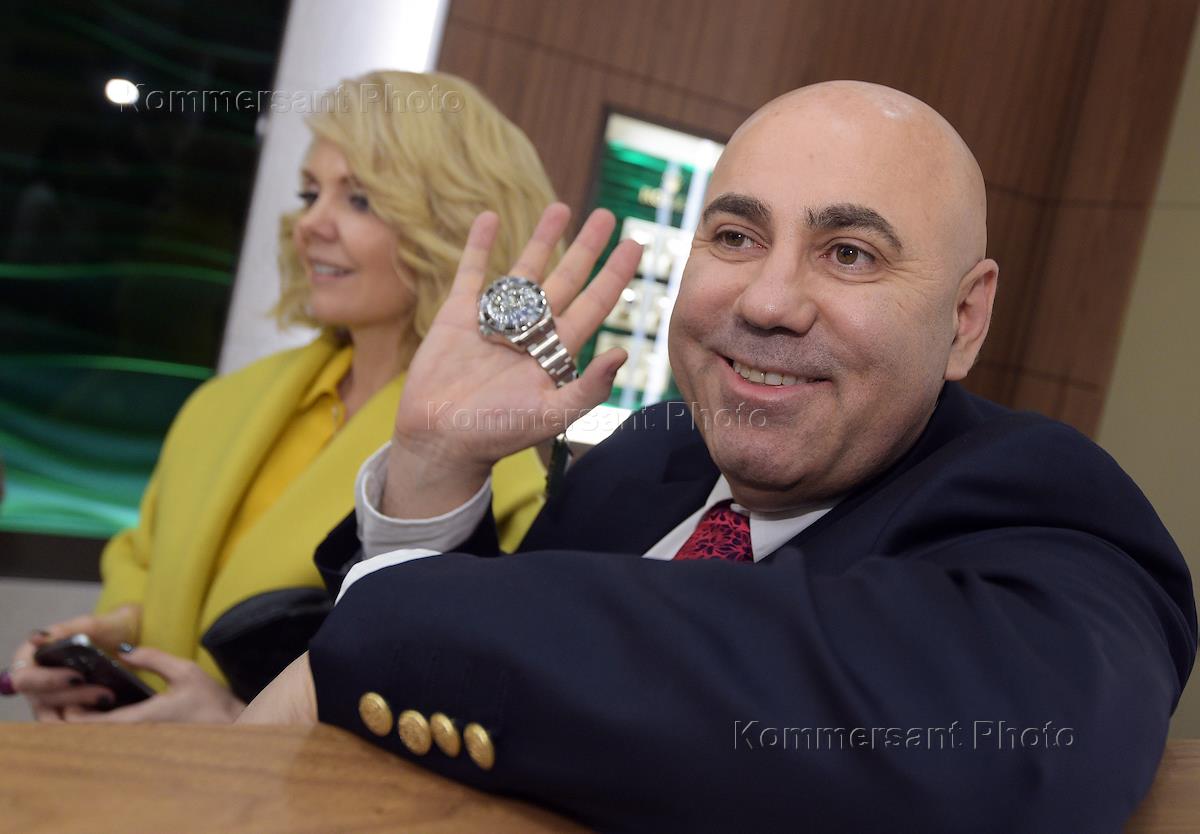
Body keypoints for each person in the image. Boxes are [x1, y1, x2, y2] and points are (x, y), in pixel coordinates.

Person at [241, 81, 1196, 832]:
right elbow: (529, 703)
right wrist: (435, 471)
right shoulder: (645, 459)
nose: (768, 301)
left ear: (965, 317)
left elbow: (1007, 750)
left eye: (850, 253)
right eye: (737, 236)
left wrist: (401, 619)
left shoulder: (1046, 498)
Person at [1, 70, 558, 722]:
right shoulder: (224, 405)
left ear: (453, 227)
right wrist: (109, 643)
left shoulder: (482, 474)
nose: (310, 223)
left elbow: (447, 705)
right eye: (309, 193)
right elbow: (150, 568)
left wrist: (233, 724)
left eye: (359, 200)